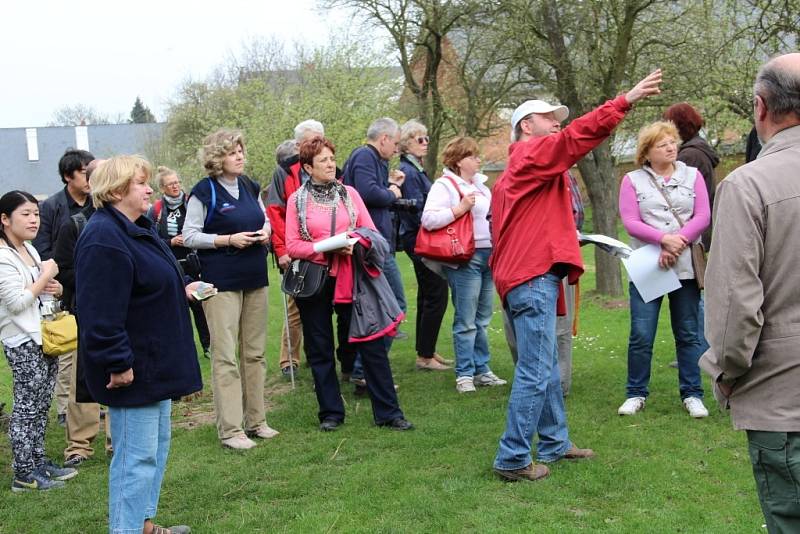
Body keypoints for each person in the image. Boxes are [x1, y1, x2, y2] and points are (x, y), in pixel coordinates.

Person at [491, 70, 663, 482]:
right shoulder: (530, 155)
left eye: (558, 117)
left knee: (546, 365)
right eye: (549, 117)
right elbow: (574, 140)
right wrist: (625, 101)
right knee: (535, 370)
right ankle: (512, 458)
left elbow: (516, 228)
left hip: (526, 275)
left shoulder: (524, 172)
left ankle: (554, 443)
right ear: (526, 127)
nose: (557, 123)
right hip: (531, 278)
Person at [699, 52, 800, 533]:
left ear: (760, 107)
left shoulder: (747, 185)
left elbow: (734, 308)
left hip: (786, 402)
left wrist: (726, 371)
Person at [75, 155, 202, 533]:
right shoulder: (104, 238)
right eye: (140, 183)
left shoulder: (135, 227)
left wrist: (181, 291)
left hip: (155, 363)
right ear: (115, 191)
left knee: (154, 451)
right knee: (135, 458)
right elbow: (99, 312)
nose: (150, 189)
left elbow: (144, 286)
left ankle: (143, 524)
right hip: (135, 369)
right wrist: (118, 362)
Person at [286, 136, 413, 431]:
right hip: (313, 281)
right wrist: (326, 247)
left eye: (332, 158)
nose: (330, 164)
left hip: (352, 277)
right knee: (319, 347)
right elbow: (293, 245)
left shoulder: (350, 194)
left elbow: (369, 231)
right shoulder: (297, 201)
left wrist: (354, 242)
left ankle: (389, 413)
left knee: (371, 343)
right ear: (307, 167)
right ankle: (331, 413)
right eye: (323, 161)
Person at [183, 128, 278, 450]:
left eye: (241, 150)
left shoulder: (250, 186)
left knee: (255, 353)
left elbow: (265, 220)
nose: (239, 156)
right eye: (232, 151)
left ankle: (257, 421)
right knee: (225, 357)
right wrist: (226, 240)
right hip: (218, 282)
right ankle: (230, 430)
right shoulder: (203, 191)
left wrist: (265, 232)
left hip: (255, 277)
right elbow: (189, 235)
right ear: (216, 158)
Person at [616, 121, 710, 418]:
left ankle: (693, 393)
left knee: (688, 333)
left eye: (672, 142)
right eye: (662, 144)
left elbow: (704, 214)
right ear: (647, 152)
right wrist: (662, 240)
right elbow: (630, 221)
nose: (670, 148)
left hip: (685, 265)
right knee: (642, 333)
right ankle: (636, 393)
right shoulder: (632, 180)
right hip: (649, 264)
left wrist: (677, 242)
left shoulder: (692, 175)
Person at [0, 190, 77, 492]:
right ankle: (23, 473)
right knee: (26, 408)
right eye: (25, 214)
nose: (34, 220)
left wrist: (53, 286)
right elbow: (17, 302)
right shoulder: (3, 256)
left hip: (44, 336)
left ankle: (38, 462)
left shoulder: (29, 250)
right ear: (5, 220)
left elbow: (39, 289)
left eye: (36, 213)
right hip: (22, 340)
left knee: (42, 404)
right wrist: (47, 274)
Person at [421, 136, 505, 392]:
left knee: (482, 318)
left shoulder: (482, 186)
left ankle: (482, 369)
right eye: (473, 156)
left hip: (488, 256)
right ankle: (465, 374)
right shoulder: (444, 185)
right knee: (466, 320)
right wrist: (459, 209)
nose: (479, 159)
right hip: (464, 258)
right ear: (458, 161)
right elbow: (428, 219)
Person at [53, 158, 112, 468]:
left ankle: (118, 440)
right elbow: (63, 270)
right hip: (85, 312)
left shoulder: (130, 221)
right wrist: (98, 277)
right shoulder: (75, 223)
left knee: (122, 375)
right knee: (83, 379)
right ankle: (79, 445)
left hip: (123, 311)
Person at [33, 148, 95, 427]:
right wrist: (51, 277)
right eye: (84, 172)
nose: (89, 177)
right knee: (67, 347)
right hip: (59, 284)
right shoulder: (52, 206)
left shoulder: (98, 203)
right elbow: (42, 246)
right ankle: (64, 407)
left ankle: (94, 404)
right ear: (68, 176)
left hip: (89, 284)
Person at [265, 120, 325, 378]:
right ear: (299, 145)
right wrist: (282, 250)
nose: (317, 144)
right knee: (295, 304)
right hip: (295, 248)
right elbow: (275, 212)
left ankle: (319, 354)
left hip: (324, 247)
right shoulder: (284, 172)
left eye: (320, 139)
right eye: (312, 140)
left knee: (323, 303)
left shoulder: (328, 166)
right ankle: (288, 360)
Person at [397, 119, 451, 371]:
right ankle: (425, 356)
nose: (426, 143)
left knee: (428, 294)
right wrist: (436, 226)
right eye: (420, 139)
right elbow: (415, 207)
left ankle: (425, 350)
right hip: (419, 238)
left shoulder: (415, 169)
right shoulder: (408, 172)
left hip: (418, 237)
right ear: (407, 144)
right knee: (436, 293)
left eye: (427, 138)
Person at [147, 166, 210, 358]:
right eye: (170, 184)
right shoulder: (156, 210)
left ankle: (208, 346)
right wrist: (171, 242)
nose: (175, 187)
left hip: (195, 261)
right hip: (171, 264)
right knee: (176, 309)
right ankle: (183, 349)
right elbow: (151, 238)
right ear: (162, 188)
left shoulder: (192, 202)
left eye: (177, 183)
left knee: (201, 305)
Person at [663, 103, 720, 251]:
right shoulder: (697, 149)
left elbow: (675, 197)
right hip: (700, 231)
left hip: (691, 234)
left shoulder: (689, 156)